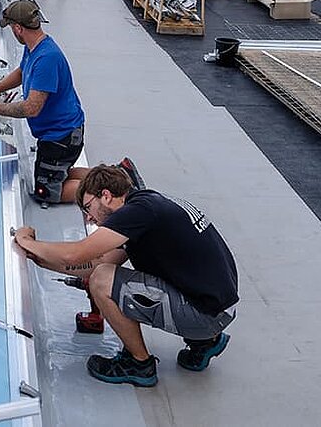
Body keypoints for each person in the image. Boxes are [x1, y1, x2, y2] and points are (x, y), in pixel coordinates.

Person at [13, 164, 239, 388]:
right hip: (218, 307)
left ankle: (138, 363)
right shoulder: (147, 204)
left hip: (205, 315)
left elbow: (77, 255)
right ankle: (205, 342)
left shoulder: (137, 213)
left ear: (106, 196)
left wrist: (27, 241)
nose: (90, 218)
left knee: (102, 281)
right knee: (103, 274)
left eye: (88, 208)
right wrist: (42, 259)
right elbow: (100, 261)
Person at [0, 0, 86, 203]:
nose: (12, 30)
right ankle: (113, 174)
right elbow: (22, 72)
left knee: (46, 192)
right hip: (61, 132)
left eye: (12, 27)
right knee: (61, 171)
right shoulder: (35, 47)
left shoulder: (47, 58)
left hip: (61, 137)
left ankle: (109, 188)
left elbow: (31, 108)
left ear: (18, 28)